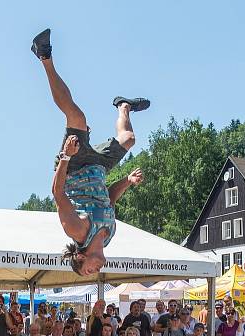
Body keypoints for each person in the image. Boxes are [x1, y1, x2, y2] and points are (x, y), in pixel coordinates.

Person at [33, 28, 148, 276]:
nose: (95, 271)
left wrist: (65, 155)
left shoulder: (77, 230)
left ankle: (44, 57)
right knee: (128, 139)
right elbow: (108, 199)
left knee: (77, 117)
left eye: (87, 271)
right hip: (98, 169)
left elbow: (57, 192)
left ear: (81, 257)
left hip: (73, 165)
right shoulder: (108, 236)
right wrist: (127, 181)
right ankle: (123, 105)